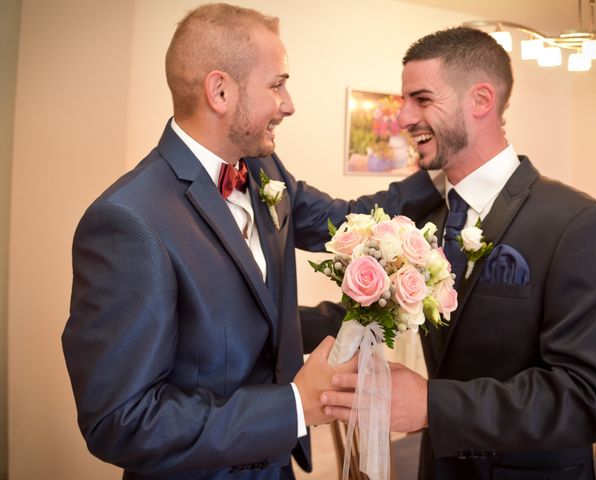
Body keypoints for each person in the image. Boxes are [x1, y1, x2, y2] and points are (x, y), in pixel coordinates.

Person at [61, 4, 443, 479]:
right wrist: (294, 406)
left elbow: (344, 220)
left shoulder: (264, 171)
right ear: (220, 91)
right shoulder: (127, 221)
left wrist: (444, 173)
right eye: (277, 84)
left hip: (275, 467)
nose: (289, 103)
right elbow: (120, 421)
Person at [322, 27, 596, 480]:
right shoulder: (423, 214)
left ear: (481, 100)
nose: (404, 117)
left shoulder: (582, 224)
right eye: (405, 100)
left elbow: (590, 397)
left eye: (422, 99)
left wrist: (432, 405)